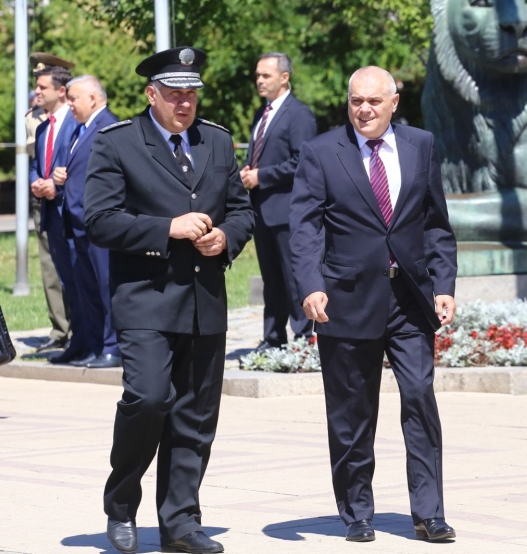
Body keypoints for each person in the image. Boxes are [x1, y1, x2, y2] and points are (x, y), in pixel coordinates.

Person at [84, 47, 254, 554]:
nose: (185, 103)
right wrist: (167, 229)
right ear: (151, 94)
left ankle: (181, 520)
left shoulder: (218, 142)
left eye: (192, 94)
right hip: (145, 299)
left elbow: (243, 210)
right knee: (149, 398)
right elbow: (99, 220)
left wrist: (225, 237)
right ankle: (121, 504)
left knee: (196, 415)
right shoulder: (117, 143)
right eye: (175, 94)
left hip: (204, 299)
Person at [289, 66, 458, 542]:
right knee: (351, 412)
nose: (363, 109)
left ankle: (429, 512)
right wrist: (310, 284)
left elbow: (435, 223)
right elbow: (304, 227)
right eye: (356, 101)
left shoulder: (420, 145)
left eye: (373, 102)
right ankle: (357, 511)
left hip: (409, 299)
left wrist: (443, 283)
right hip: (345, 299)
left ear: (394, 103)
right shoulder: (321, 152)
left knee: (420, 399)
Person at [240, 52, 317, 350]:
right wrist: (249, 170)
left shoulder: (299, 114)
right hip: (262, 210)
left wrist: (263, 176)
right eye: (258, 75)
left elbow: (303, 161)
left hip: (288, 210)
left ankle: (304, 338)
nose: (259, 80)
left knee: (293, 276)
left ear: (284, 77)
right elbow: (261, 153)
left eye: (266, 75)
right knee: (271, 280)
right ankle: (273, 338)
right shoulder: (263, 114)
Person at [52, 75, 119, 368]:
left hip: (99, 225)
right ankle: (93, 345)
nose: (69, 104)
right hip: (77, 223)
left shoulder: (109, 127)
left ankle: (113, 348)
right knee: (88, 291)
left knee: (107, 289)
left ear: (92, 99)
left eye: (73, 99)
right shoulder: (81, 128)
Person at [30, 62, 85, 365]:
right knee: (61, 275)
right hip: (49, 211)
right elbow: (36, 164)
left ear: (61, 91)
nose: (36, 92)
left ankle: (84, 334)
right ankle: (72, 336)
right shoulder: (42, 127)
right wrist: (36, 181)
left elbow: (80, 167)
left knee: (78, 278)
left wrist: (56, 186)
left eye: (42, 87)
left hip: (70, 212)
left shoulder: (76, 125)